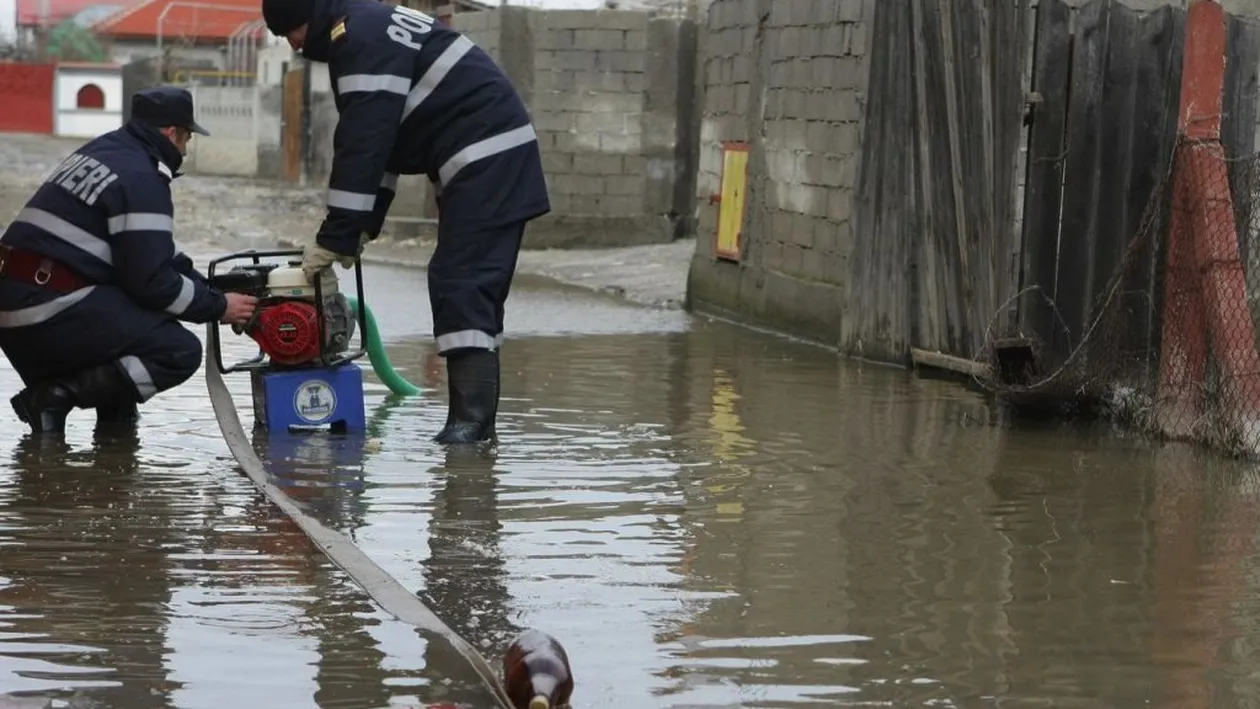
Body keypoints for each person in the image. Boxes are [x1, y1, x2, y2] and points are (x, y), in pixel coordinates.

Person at [260, 0, 550, 445]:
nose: (294, 45)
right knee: (466, 281)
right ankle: (476, 428)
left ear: (309, 17)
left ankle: (469, 428)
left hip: (486, 156)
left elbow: (364, 143)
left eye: (290, 32)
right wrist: (358, 228)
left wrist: (335, 233)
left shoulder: (357, 38)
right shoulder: (363, 25)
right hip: (486, 154)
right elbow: (386, 147)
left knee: (462, 280)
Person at [0, 86, 259, 435]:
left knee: (132, 332)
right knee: (176, 350)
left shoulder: (108, 150)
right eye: (186, 139)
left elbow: (153, 254)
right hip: (43, 314)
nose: (184, 149)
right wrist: (218, 307)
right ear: (172, 133)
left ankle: (112, 429)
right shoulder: (142, 177)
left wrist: (209, 288)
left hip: (22, 309)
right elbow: (152, 283)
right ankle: (53, 398)